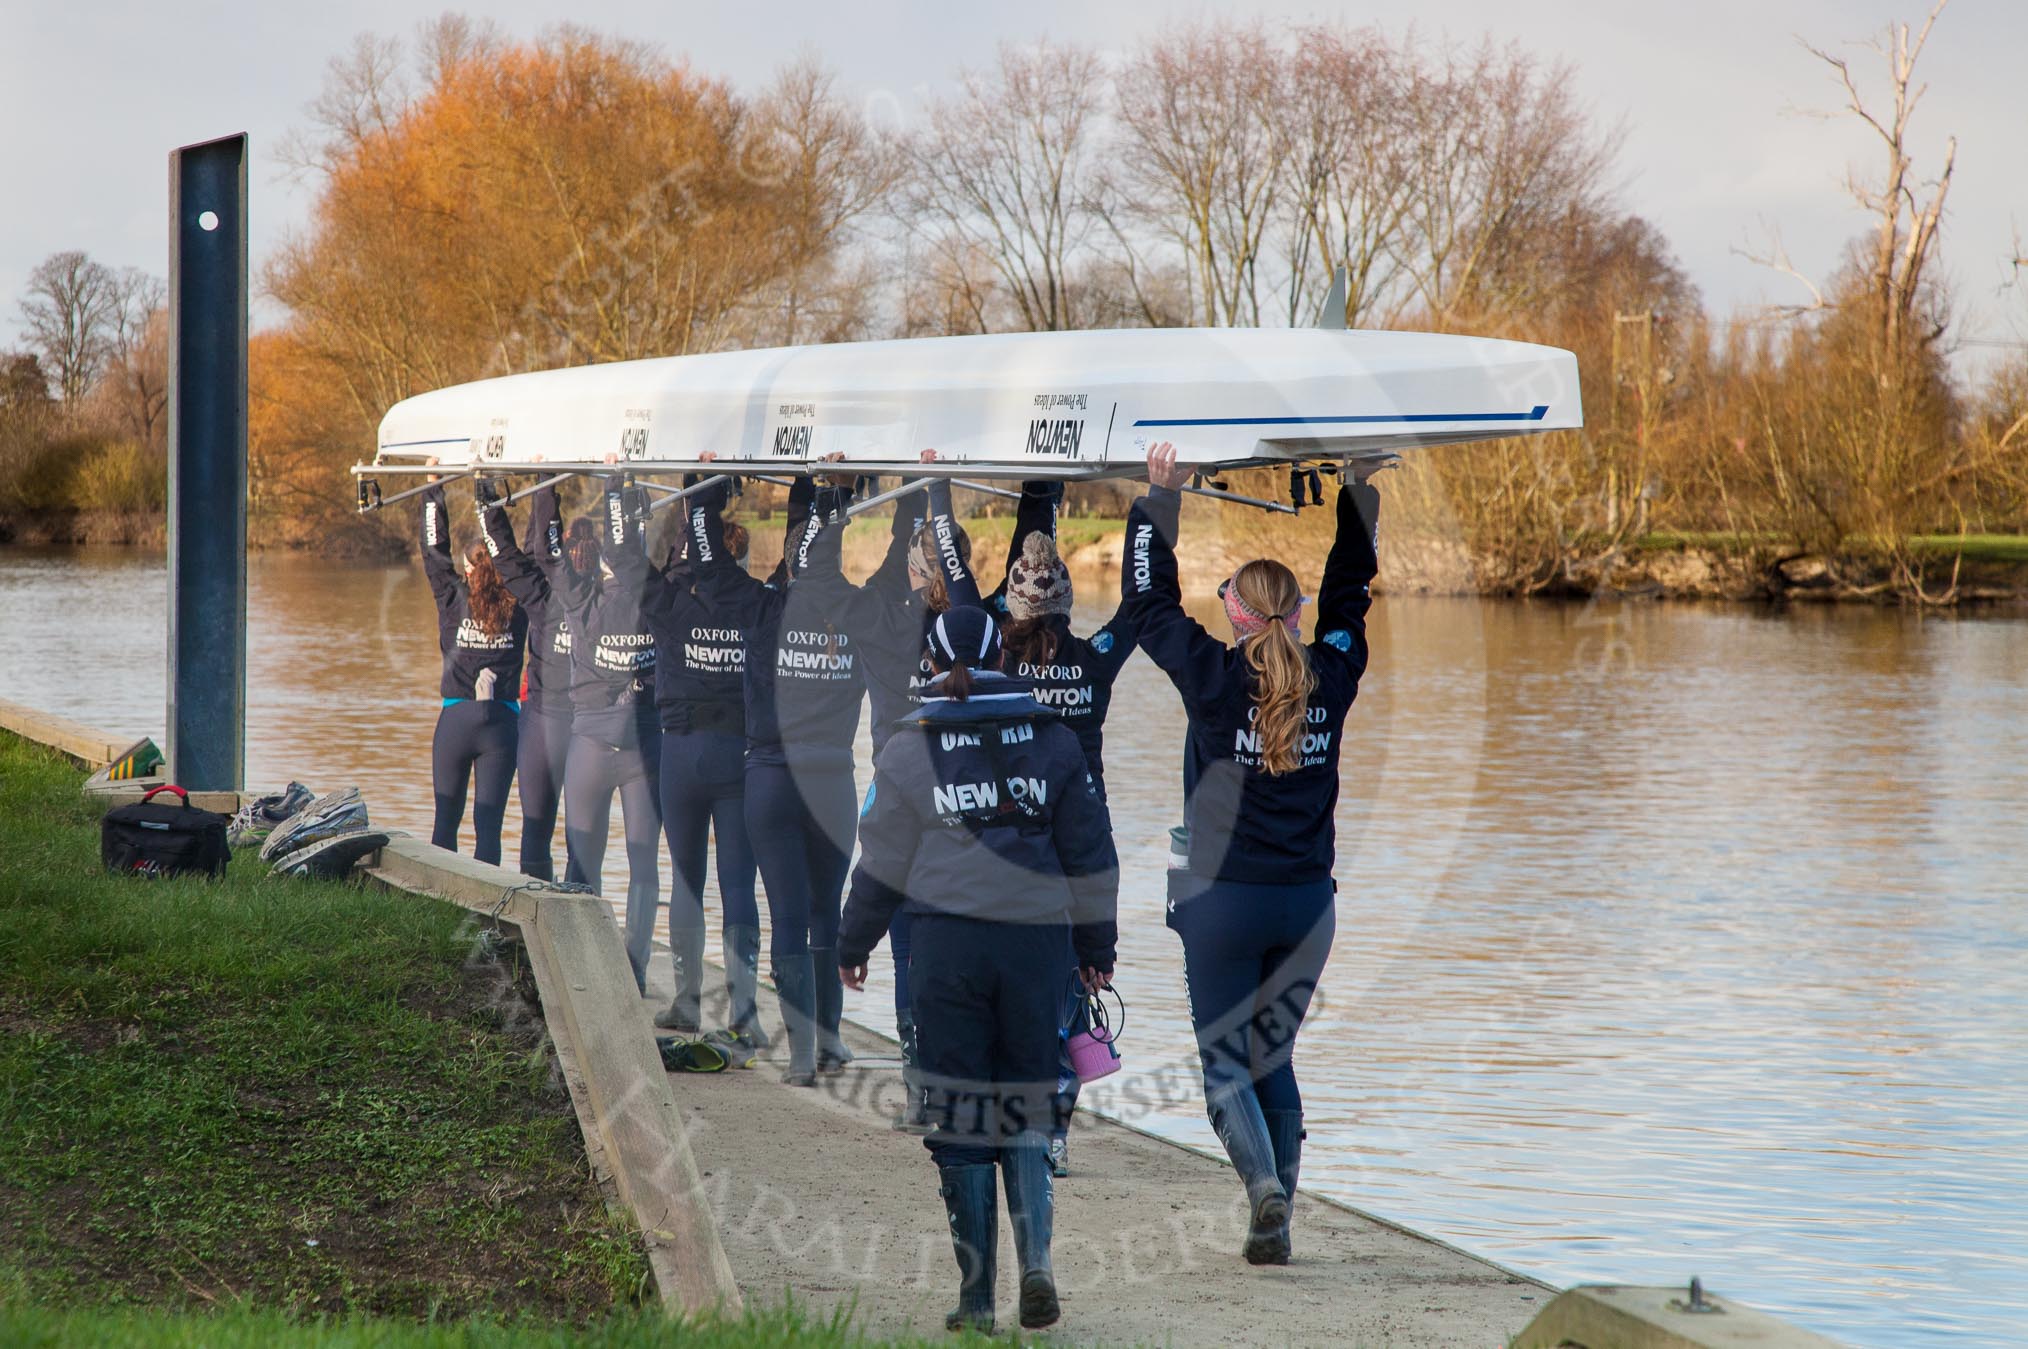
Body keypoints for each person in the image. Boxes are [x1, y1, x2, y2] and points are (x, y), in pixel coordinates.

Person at [1120, 440, 1381, 1266]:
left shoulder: (1213, 679)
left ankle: (1265, 1192)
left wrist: (1162, 497)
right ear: (1293, 616)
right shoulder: (1332, 677)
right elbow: (1350, 599)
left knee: (1225, 1062)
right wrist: (1357, 495)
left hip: (1223, 903)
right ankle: (1280, 1218)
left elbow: (1148, 604)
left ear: (1234, 613)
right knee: (1274, 1055)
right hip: (1307, 904)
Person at [837, 604, 1118, 1334]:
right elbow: (1091, 855)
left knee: (962, 1114)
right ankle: (1038, 1267)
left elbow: (882, 864)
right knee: (1027, 1098)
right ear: (1007, 656)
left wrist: (852, 943)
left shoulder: (908, 746)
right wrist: (1096, 951)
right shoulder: (1054, 739)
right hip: (1034, 948)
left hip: (947, 949)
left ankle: (976, 1298)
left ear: (929, 664)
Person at [794, 454, 980, 1118]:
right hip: (968, 798)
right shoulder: (969, 625)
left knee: (908, 950)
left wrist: (835, 496)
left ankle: (920, 1094)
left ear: (909, 562)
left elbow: (811, 573)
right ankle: (969, 1085)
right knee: (966, 950)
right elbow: (951, 567)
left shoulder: (874, 612)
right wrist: (932, 493)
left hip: (898, 797)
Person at [698, 470, 875, 1085]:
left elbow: (711, 564)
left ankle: (802, 1057)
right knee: (827, 911)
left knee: (788, 916)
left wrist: (702, 493)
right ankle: (831, 1042)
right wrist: (847, 500)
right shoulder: (857, 608)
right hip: (831, 782)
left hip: (771, 780)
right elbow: (900, 569)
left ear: (790, 559)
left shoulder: (763, 605)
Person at [991, 480, 1141, 1175]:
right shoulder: (1095, 657)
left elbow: (970, 594)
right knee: (1077, 987)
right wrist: (1152, 509)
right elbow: (1141, 606)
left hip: (1011, 843)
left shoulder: (993, 660)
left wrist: (1032, 497)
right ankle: (1054, 1128)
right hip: (1083, 841)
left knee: (1009, 986)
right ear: (1069, 602)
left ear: (1012, 605)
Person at [605, 462, 767, 1050]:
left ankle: (686, 1002)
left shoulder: (669, 606)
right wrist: (814, 496)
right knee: (739, 886)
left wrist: (615, 491)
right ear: (736, 562)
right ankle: (745, 1013)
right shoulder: (756, 603)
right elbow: (808, 569)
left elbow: (622, 557)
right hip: (738, 759)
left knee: (687, 882)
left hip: (681, 757)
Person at [490, 462, 664, 992]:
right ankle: (630, 973)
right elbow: (661, 556)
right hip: (627, 746)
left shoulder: (568, 599)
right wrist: (625, 494)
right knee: (639, 864)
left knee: (570, 857)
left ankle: (565, 965)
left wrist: (543, 488)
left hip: (581, 737)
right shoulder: (652, 602)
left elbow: (535, 555)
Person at [419, 475, 527, 866]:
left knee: (446, 821)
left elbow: (432, 549)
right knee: (489, 828)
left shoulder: (451, 598)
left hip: (456, 721)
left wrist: (435, 488)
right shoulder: (520, 603)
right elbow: (519, 554)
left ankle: (435, 905)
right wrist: (493, 496)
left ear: (467, 572)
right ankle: (485, 915)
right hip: (502, 725)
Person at [507, 478, 579, 883]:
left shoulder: (541, 600)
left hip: (543, 718)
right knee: (581, 834)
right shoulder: (604, 600)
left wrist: (545, 487)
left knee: (537, 829)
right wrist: (544, 489)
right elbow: (540, 551)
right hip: (586, 724)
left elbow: (535, 553)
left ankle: (543, 910)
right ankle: (580, 918)